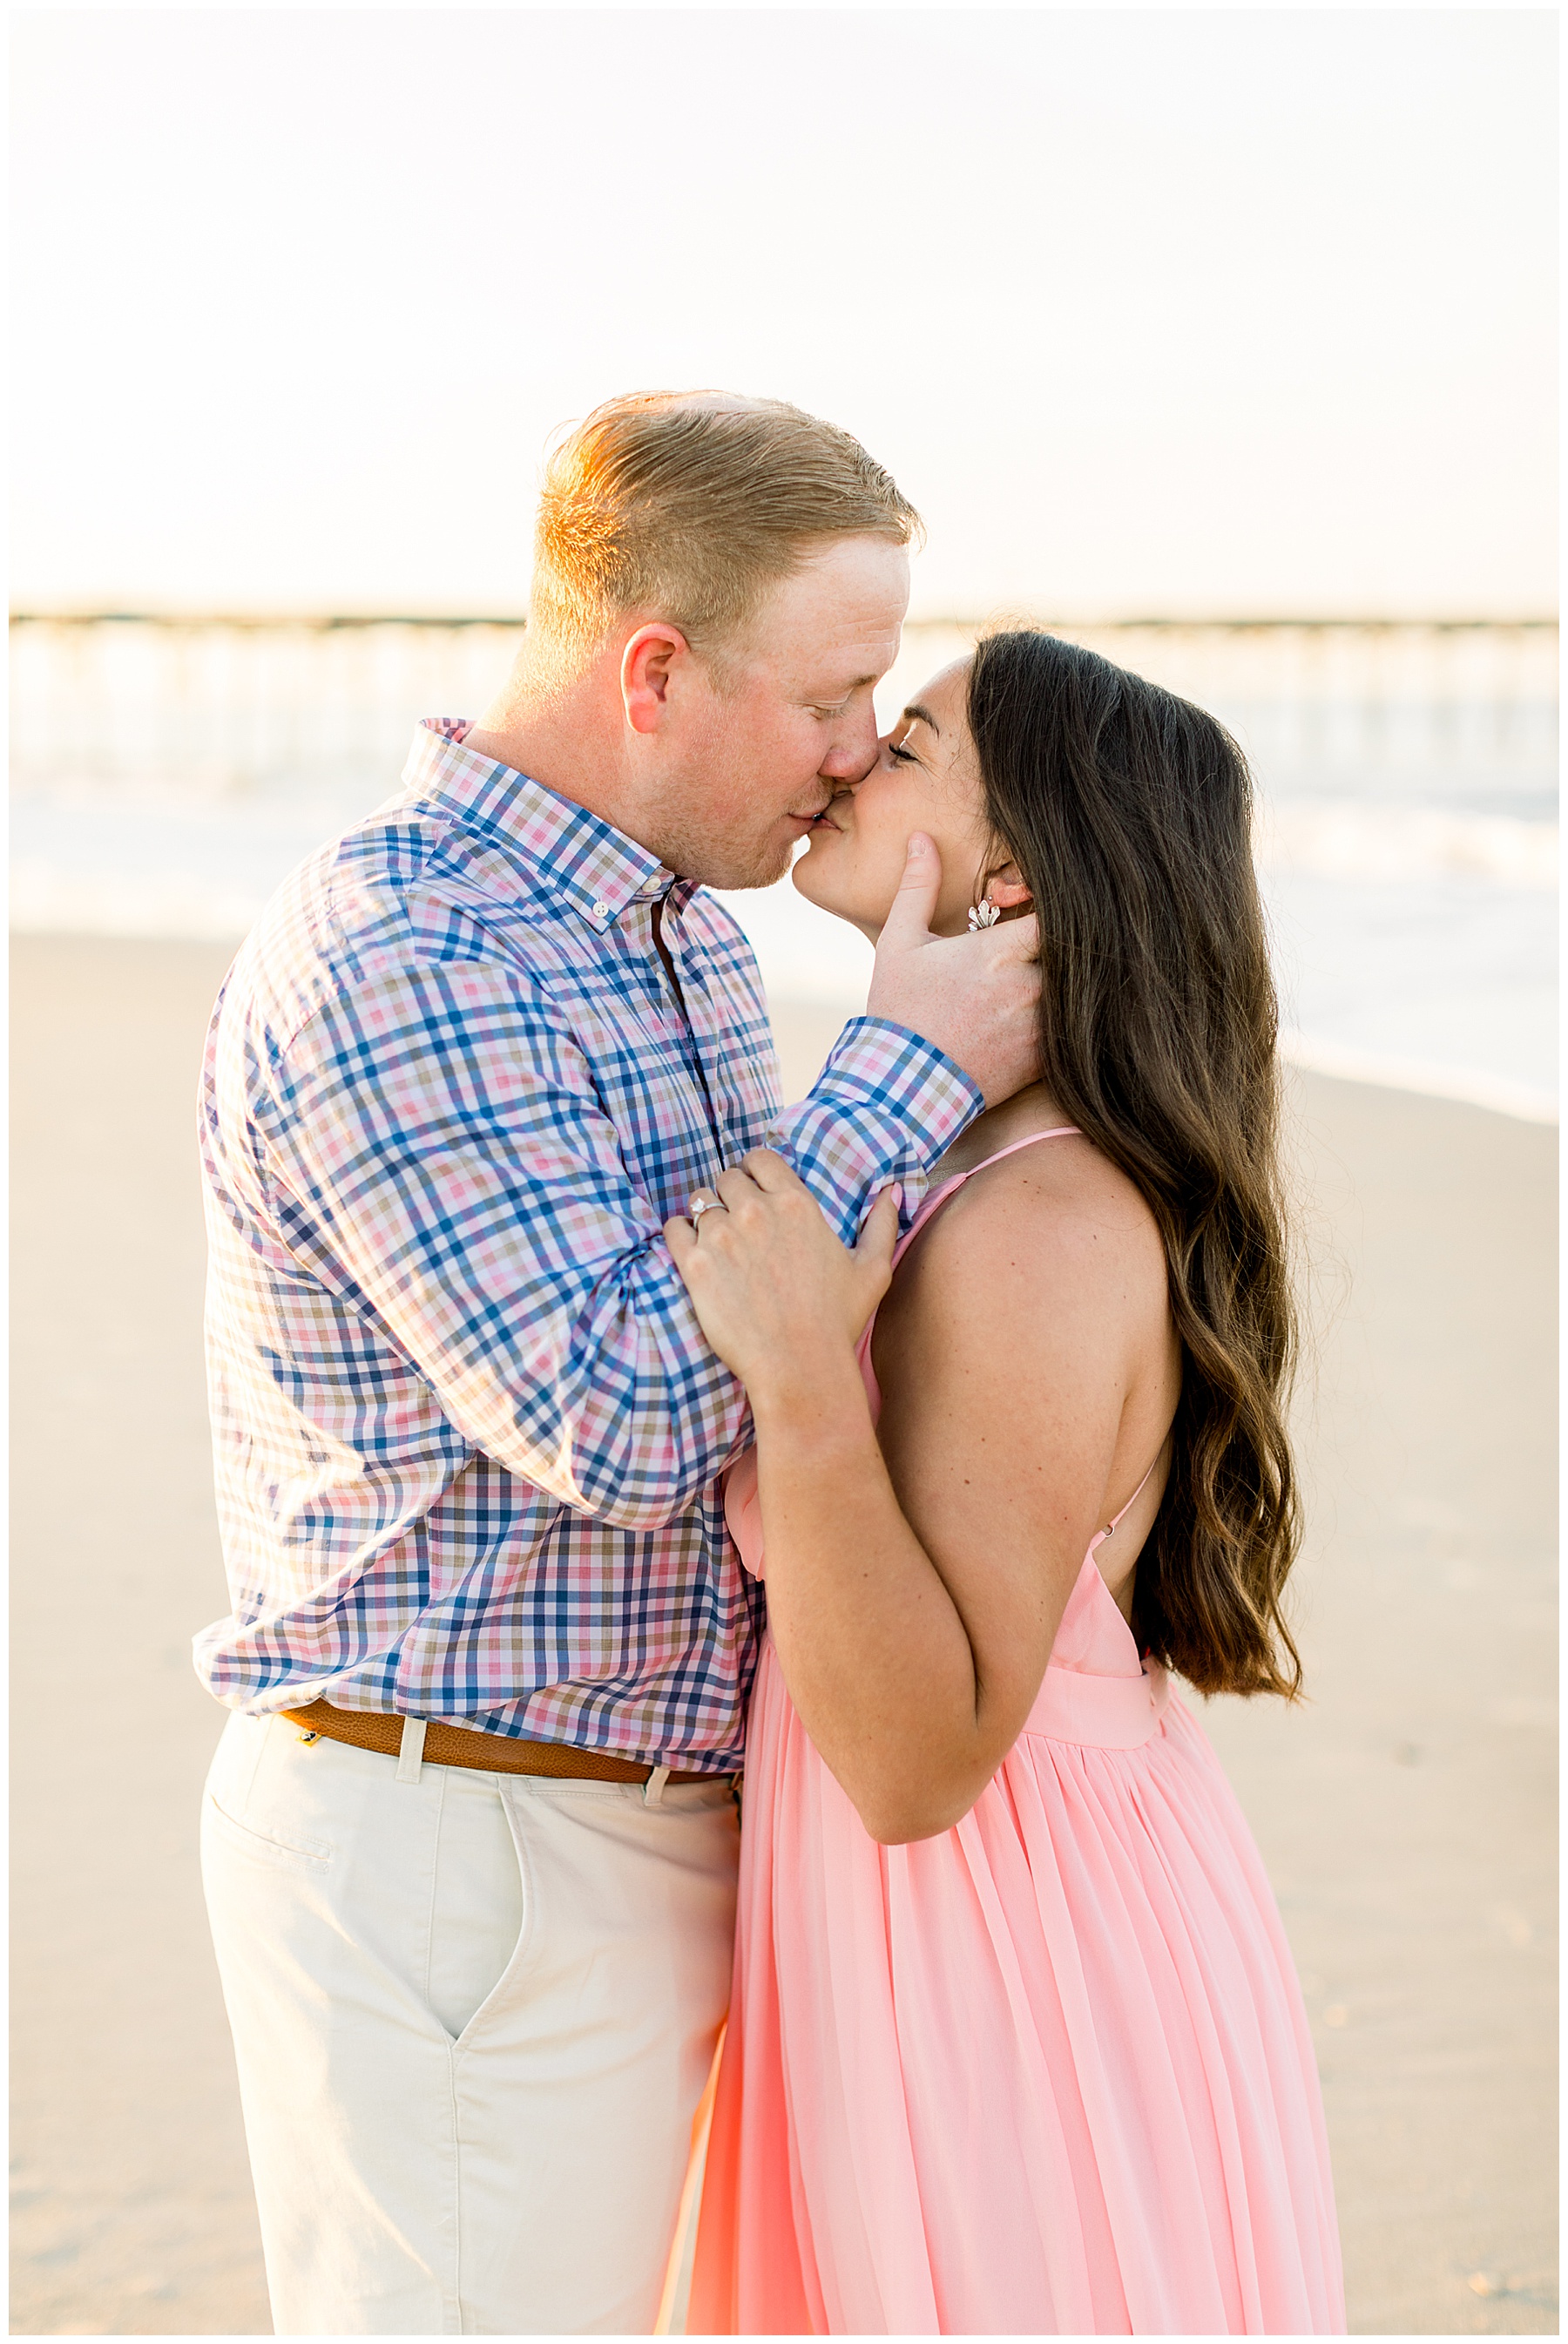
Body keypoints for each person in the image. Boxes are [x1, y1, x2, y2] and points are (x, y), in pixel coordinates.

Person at [193, 393, 1043, 2335]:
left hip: (646, 1826)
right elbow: (630, 1414)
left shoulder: (679, 939)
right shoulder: (408, 945)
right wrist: (905, 1072)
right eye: (839, 691)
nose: (859, 753)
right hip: (468, 1849)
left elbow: (779, 1339)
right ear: (656, 668)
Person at [669, 633, 1346, 2334]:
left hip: (995, 1960)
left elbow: (912, 1764)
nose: (841, 763)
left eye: (902, 743)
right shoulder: (976, 1168)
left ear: (1015, 872)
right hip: (974, 1920)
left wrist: (807, 1386)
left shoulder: (1036, 1230)